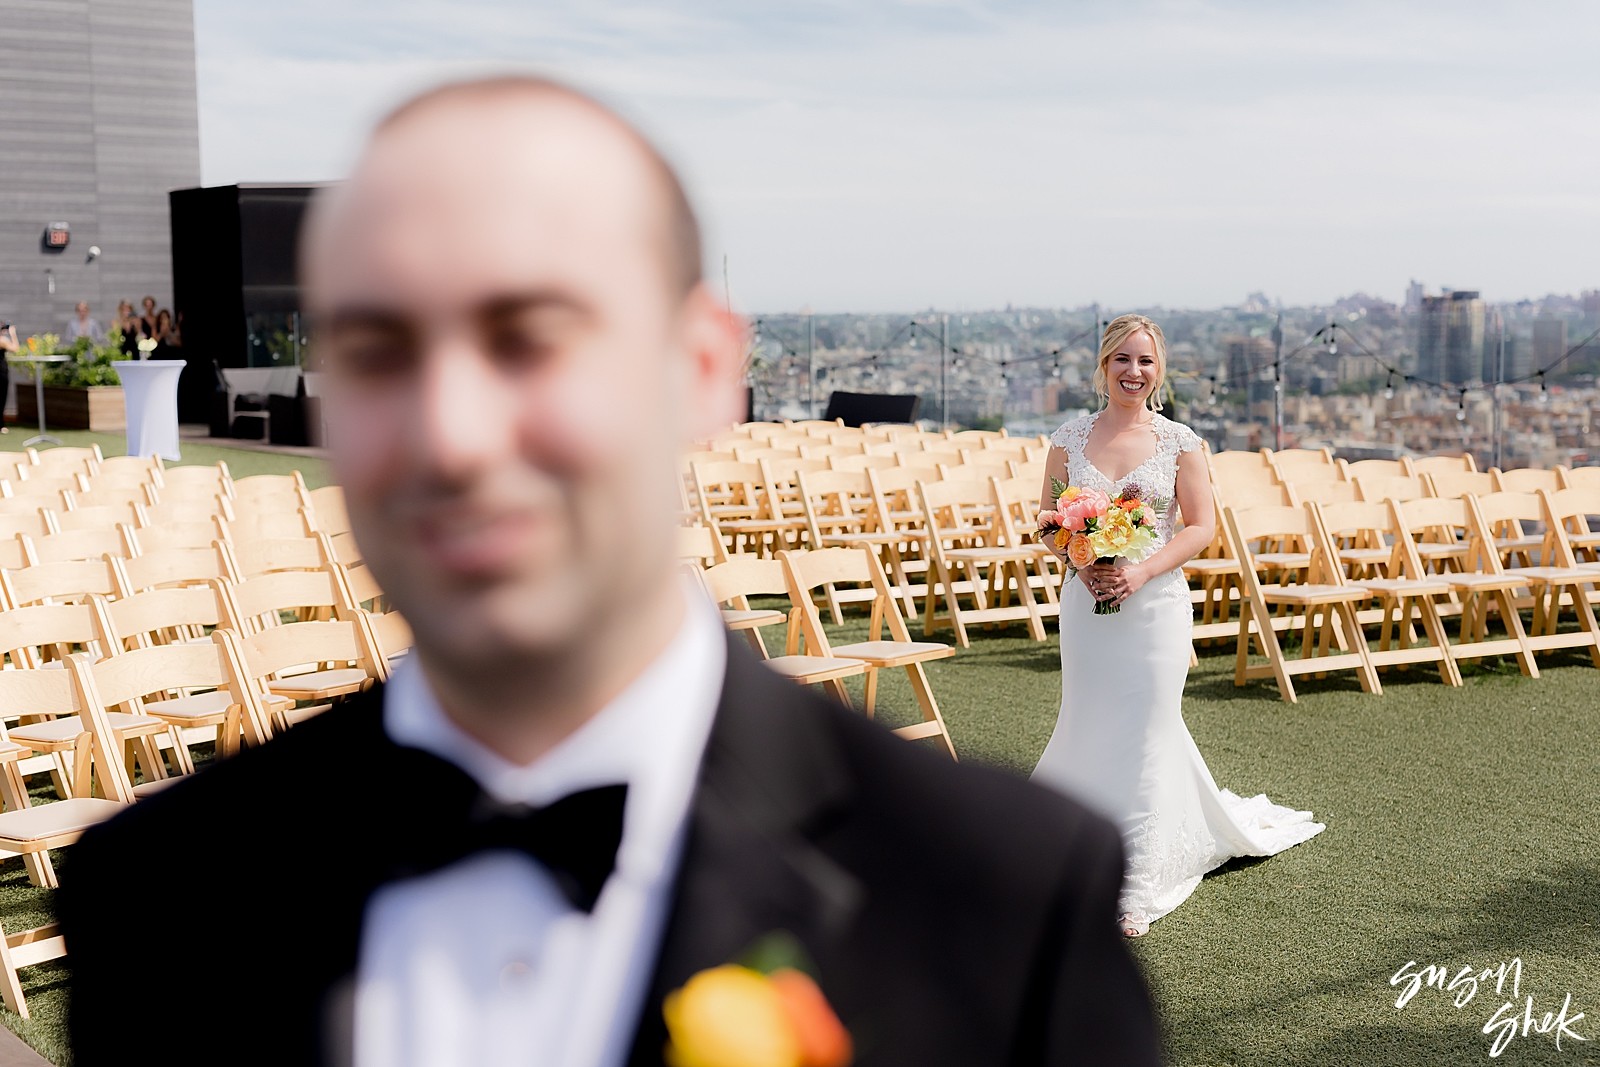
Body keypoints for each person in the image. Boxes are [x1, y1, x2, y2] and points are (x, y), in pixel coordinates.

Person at [60, 76, 1163, 1067]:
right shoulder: (157, 897)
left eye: (529, 338)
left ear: (702, 372)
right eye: (377, 351)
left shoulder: (996, 894)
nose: (451, 435)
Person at [1030, 314, 1326, 939]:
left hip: (1156, 607)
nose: (1133, 372)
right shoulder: (1067, 439)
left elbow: (1199, 526)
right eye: (1122, 361)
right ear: (1103, 367)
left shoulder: (1181, 442)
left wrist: (1140, 573)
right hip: (1087, 606)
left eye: (1145, 361)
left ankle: (1132, 878)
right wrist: (1078, 559)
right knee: (1085, 721)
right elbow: (1050, 517)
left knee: (1144, 728)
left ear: (1158, 370)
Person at [0, 321, 14, 433]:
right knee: (2, 398)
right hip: (1, 372)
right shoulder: (3, 340)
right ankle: (1, 425)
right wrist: (13, 334)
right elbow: (15, 348)